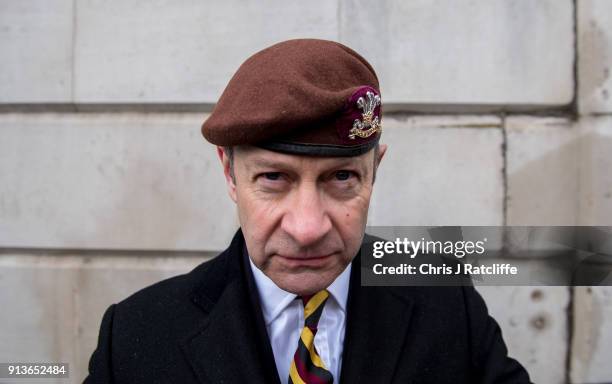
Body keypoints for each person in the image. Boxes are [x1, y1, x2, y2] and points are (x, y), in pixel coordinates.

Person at [85, 39, 532, 384]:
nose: (307, 228)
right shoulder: (136, 336)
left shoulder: (446, 300)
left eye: (341, 179)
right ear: (229, 173)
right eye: (274, 179)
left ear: (374, 171)